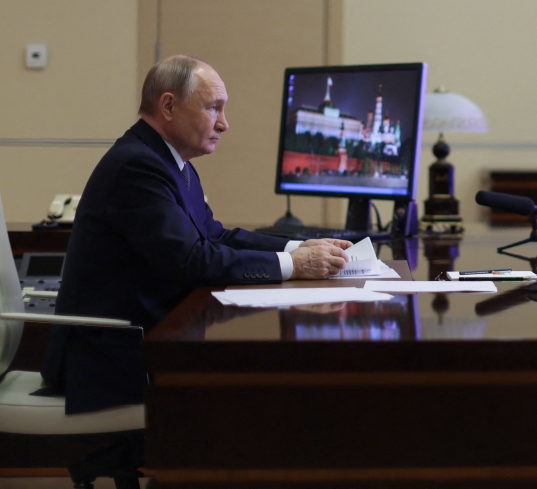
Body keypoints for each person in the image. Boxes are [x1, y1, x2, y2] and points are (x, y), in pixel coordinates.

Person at [42, 56, 351, 414]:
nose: (225, 124)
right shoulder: (137, 166)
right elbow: (191, 261)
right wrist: (293, 265)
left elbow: (214, 236)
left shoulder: (170, 162)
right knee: (262, 394)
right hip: (110, 357)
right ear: (169, 106)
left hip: (147, 337)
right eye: (213, 108)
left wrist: (298, 247)